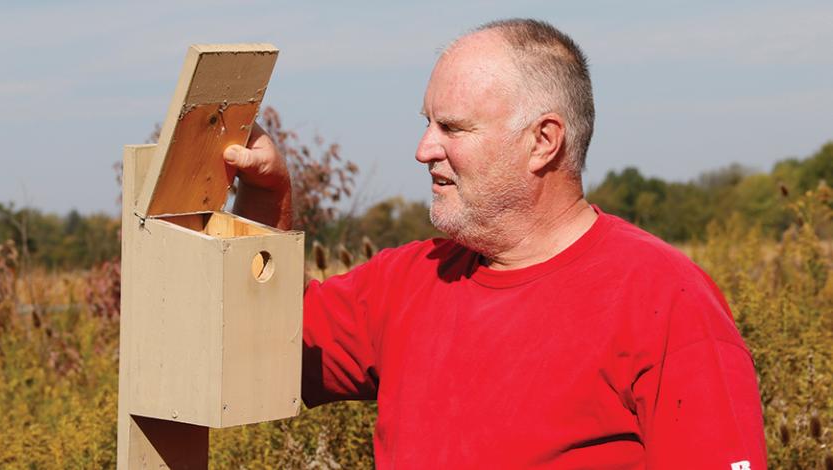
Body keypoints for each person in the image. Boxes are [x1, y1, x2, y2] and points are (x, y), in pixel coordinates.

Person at [224, 18, 767, 469]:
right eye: (427, 123)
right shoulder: (410, 281)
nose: (423, 149)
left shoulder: (664, 299)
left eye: (453, 129)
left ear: (543, 142)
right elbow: (263, 347)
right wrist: (266, 195)